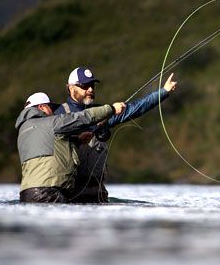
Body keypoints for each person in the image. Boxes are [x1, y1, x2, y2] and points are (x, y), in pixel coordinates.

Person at [55, 66, 178, 203]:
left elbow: (136, 108)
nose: (90, 89)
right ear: (70, 88)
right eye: (85, 86)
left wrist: (164, 91)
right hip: (69, 193)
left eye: (92, 85)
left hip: (97, 193)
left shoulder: (103, 112)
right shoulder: (59, 115)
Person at [15, 91, 126, 203]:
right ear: (41, 107)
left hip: (26, 194)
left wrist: (77, 141)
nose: (53, 111)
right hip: (48, 193)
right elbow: (82, 117)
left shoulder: (23, 132)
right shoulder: (52, 122)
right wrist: (111, 109)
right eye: (51, 107)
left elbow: (48, 148)